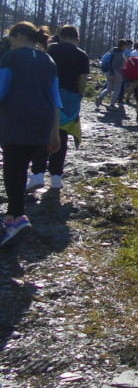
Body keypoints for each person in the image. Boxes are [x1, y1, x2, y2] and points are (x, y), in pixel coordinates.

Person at [0, 22, 61, 247]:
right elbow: (55, 99)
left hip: (16, 119)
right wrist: (54, 133)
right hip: (42, 122)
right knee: (22, 167)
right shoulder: (48, 61)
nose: (9, 42)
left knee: (12, 169)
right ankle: (12, 215)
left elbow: (1, 91)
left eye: (10, 38)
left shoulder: (10, 58)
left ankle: (17, 217)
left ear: (18, 36)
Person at [27, 25, 89, 192]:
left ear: (60, 36)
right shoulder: (82, 55)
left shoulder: (50, 49)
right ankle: (56, 177)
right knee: (61, 136)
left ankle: (37, 174)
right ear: (77, 39)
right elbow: (82, 81)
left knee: (42, 134)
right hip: (69, 97)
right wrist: (78, 99)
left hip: (46, 93)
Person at [96, 39, 127, 108]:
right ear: (123, 46)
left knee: (109, 88)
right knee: (117, 89)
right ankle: (112, 104)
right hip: (117, 73)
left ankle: (100, 97)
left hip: (108, 71)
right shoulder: (120, 54)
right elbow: (120, 64)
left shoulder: (112, 51)